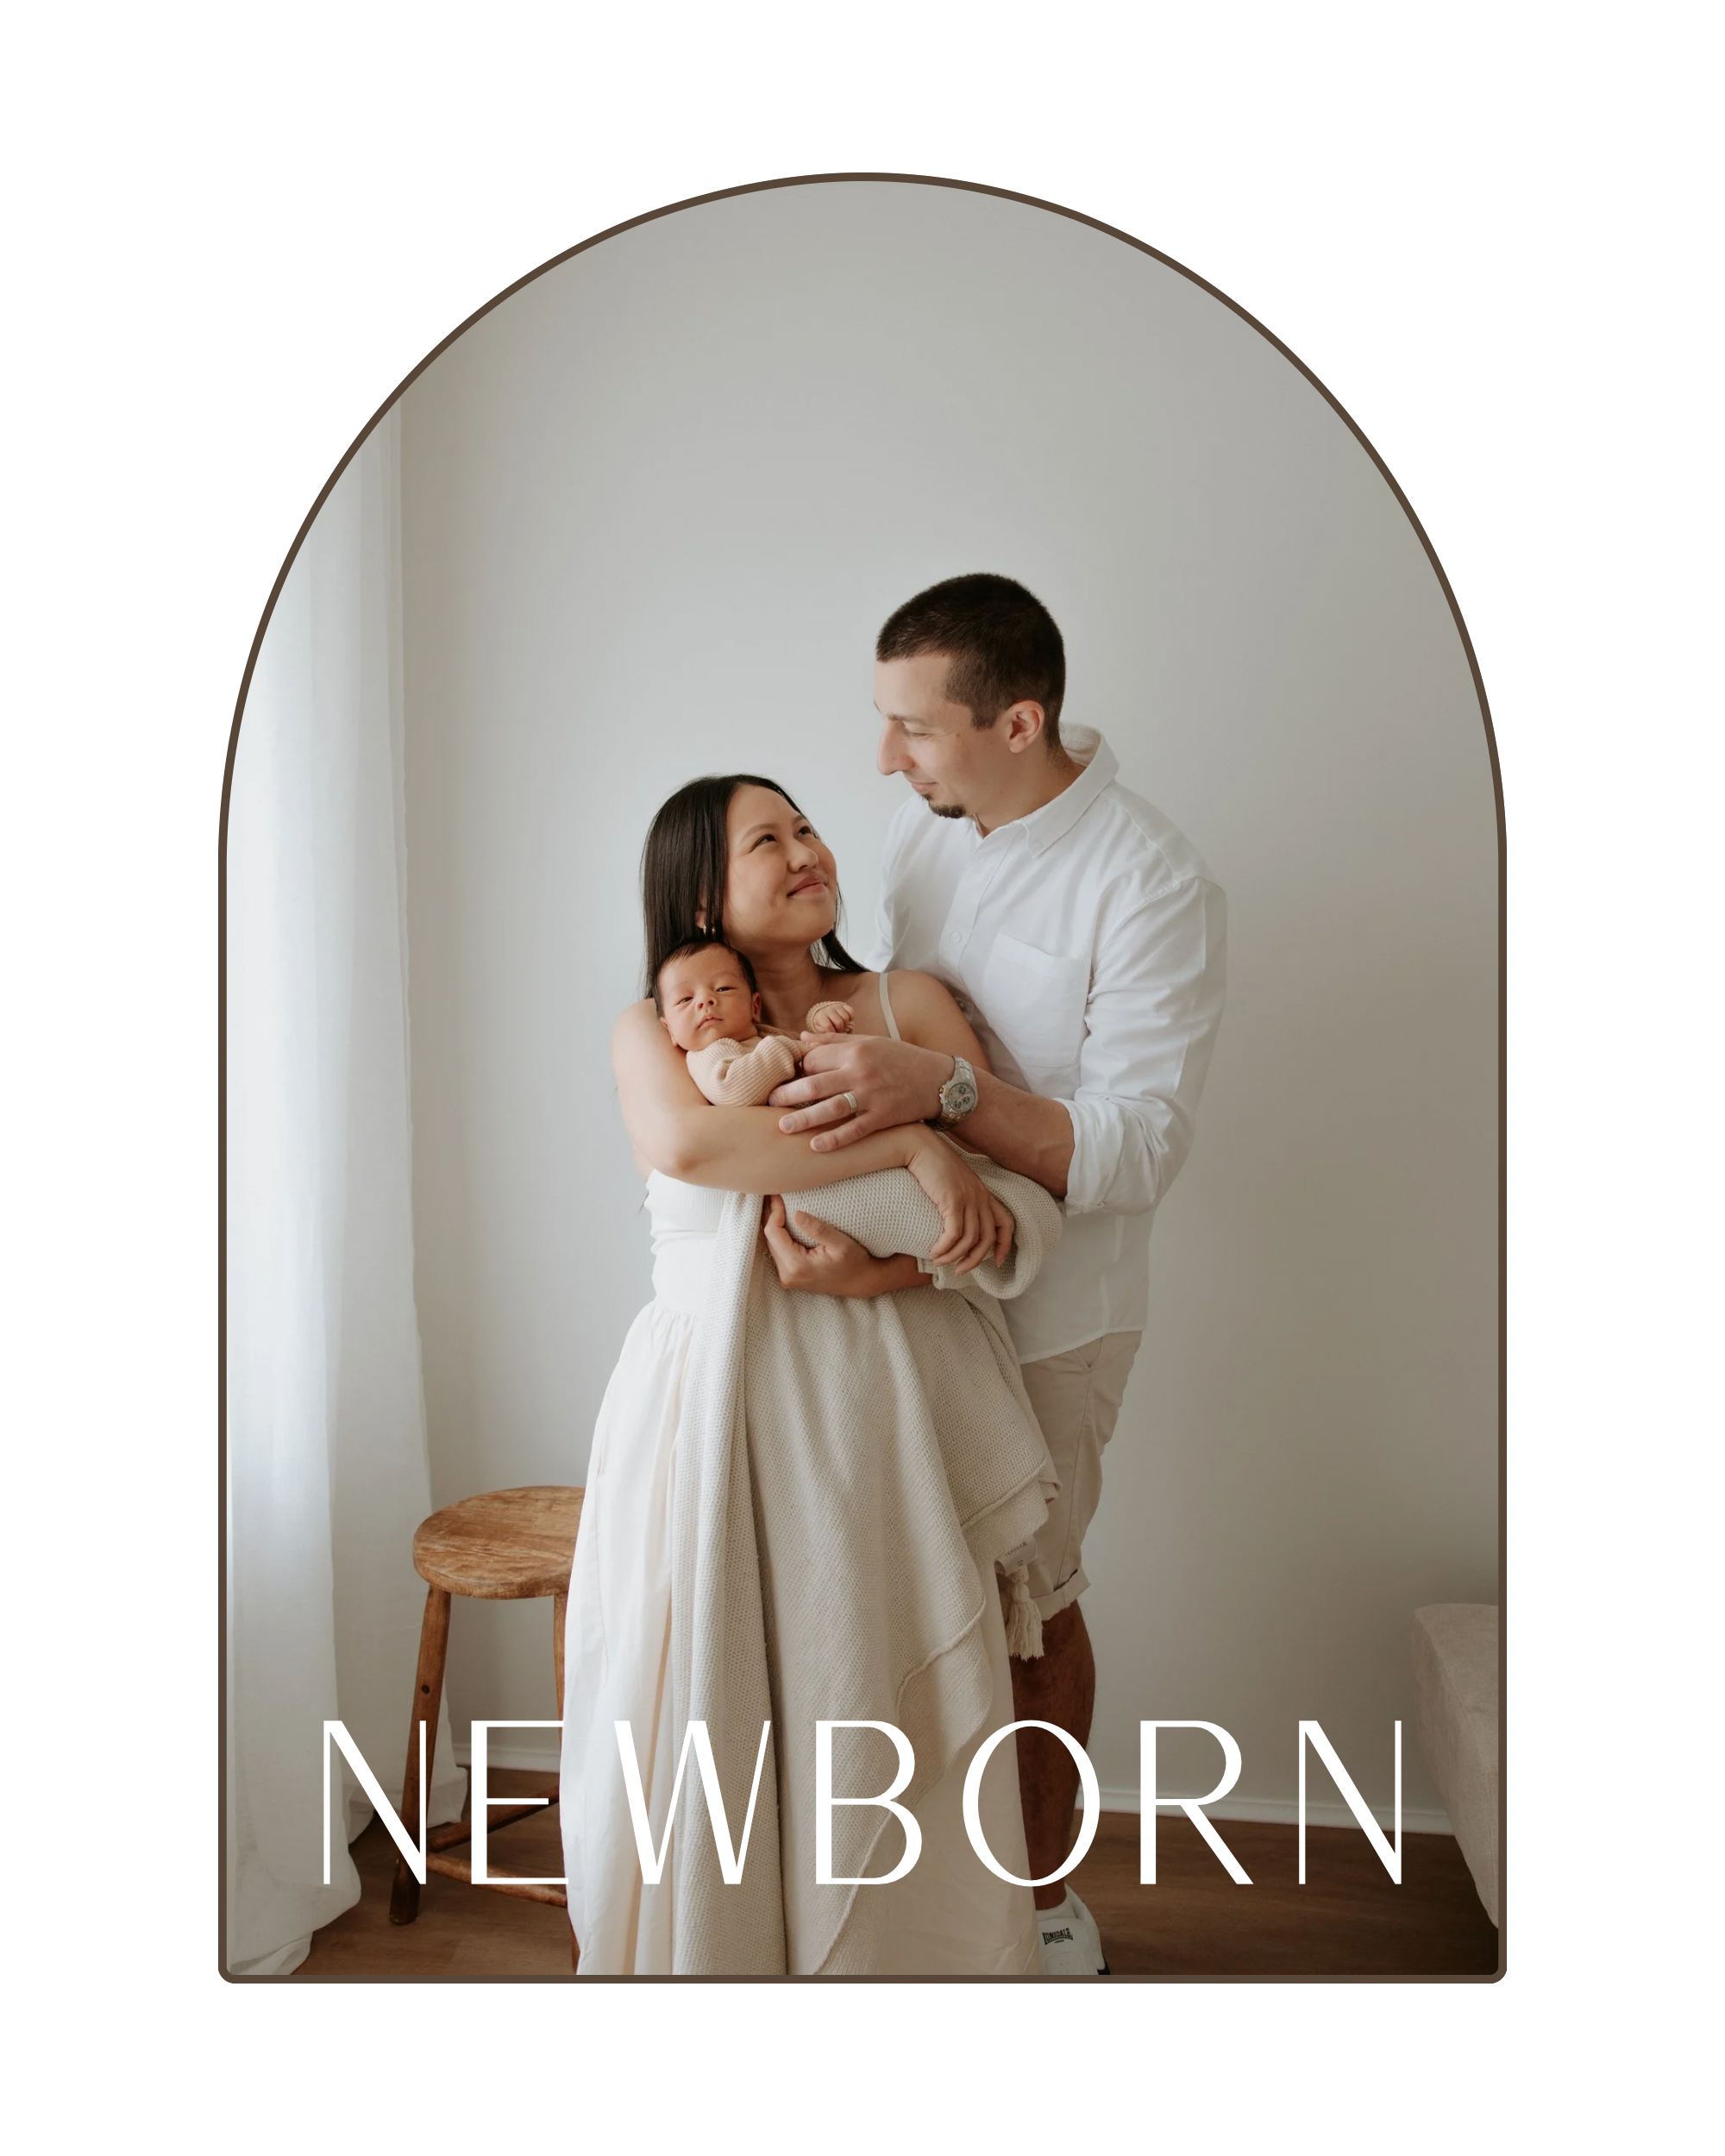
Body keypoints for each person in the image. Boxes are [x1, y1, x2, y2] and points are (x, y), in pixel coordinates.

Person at [767, 573, 1228, 1975]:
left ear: (1018, 720)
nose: (886, 764)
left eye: (913, 729)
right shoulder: (924, 839)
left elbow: (1139, 1150)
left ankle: (1040, 1907)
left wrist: (945, 1089)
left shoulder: (1155, 884)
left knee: (1033, 1608)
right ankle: (922, 1906)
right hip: (903, 1300)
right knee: (906, 1602)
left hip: (1052, 1325)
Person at [559, 772, 1065, 1976]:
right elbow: (691, 1143)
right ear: (699, 893)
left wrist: (877, 1273)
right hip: (702, 1401)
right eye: (765, 841)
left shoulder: (907, 1001)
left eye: (807, 827)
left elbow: (1019, 1208)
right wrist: (906, 1147)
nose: (805, 851)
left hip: (874, 1404)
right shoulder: (659, 1028)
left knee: (865, 1704)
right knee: (694, 1706)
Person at [654, 936, 854, 1107]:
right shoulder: (707, 1055)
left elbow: (817, 1051)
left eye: (723, 988)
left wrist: (824, 1023)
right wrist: (789, 1048)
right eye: (685, 999)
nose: (705, 1001)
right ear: (670, 1029)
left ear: (755, 1007)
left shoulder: (764, 1036)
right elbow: (732, 1089)